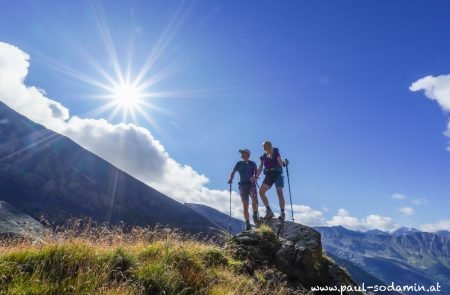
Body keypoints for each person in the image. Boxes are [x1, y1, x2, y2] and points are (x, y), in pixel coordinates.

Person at [256, 141, 288, 221]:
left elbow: (279, 160)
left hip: (277, 173)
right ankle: (269, 211)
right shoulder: (263, 156)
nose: (263, 147)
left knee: (279, 192)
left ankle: (282, 213)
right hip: (269, 175)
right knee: (261, 192)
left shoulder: (275, 151)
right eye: (263, 146)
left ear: (269, 146)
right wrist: (256, 176)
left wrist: (283, 164)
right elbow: (260, 166)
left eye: (265, 146)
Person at [228, 149, 259, 230]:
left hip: (251, 184)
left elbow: (257, 172)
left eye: (243, 152)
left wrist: (255, 177)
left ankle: (255, 214)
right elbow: (233, 171)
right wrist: (231, 179)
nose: (241, 154)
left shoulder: (252, 163)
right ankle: (248, 224)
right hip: (242, 185)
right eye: (241, 153)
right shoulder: (239, 163)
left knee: (254, 199)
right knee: (245, 205)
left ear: (247, 154)